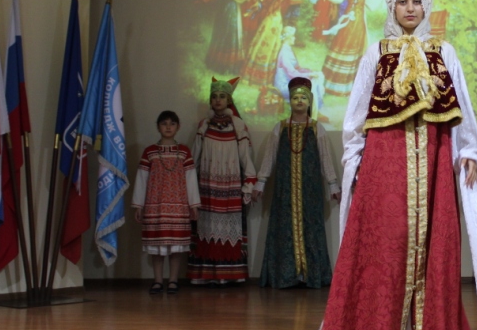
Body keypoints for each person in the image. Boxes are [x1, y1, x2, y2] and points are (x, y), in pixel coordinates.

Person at [319, 0, 477, 330]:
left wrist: (469, 150)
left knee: (430, 248)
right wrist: (354, 160)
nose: (410, 8)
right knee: (386, 248)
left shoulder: (444, 53)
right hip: (385, 167)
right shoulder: (376, 54)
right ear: (392, 6)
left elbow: (463, 108)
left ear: (426, 4)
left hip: (433, 164)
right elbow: (356, 114)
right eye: (402, 1)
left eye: (417, 0)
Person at [253, 77, 340, 288]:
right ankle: (287, 275)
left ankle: (310, 275)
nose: (299, 101)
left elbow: (325, 158)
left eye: (303, 98)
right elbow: (270, 157)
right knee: (285, 228)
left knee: (311, 227)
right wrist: (260, 182)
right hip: (285, 189)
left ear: (309, 102)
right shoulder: (280, 128)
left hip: (310, 189)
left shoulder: (317, 128)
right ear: (289, 101)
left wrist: (333, 184)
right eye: (295, 98)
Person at [187, 78, 257, 285]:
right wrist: (189, 183)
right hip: (207, 185)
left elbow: (245, 156)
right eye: (214, 97)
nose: (218, 100)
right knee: (206, 228)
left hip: (230, 185)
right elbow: (195, 155)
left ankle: (229, 275)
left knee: (228, 229)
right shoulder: (204, 125)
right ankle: (205, 275)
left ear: (229, 100)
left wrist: (249, 182)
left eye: (222, 97)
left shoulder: (238, 125)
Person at [131, 111, 201, 294]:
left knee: (176, 247)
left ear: (178, 127)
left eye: (172, 124)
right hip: (155, 206)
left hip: (179, 206)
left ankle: (173, 280)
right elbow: (142, 178)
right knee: (157, 247)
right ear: (158, 127)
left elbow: (191, 179)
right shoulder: (150, 152)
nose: (168, 127)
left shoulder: (184, 151)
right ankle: (157, 281)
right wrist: (138, 205)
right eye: (164, 123)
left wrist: (194, 204)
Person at [320, 0, 380, 98]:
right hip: (359, 22)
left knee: (343, 44)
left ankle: (335, 83)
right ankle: (351, 84)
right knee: (355, 47)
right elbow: (374, 4)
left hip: (349, 20)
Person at [275, 26, 327, 120]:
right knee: (311, 84)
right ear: (288, 38)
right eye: (293, 36)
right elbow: (292, 73)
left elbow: (297, 68)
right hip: (285, 85)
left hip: (291, 80)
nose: (294, 38)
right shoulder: (284, 53)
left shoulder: (288, 49)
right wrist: (308, 75)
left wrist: (309, 72)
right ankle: (311, 114)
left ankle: (315, 111)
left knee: (317, 77)